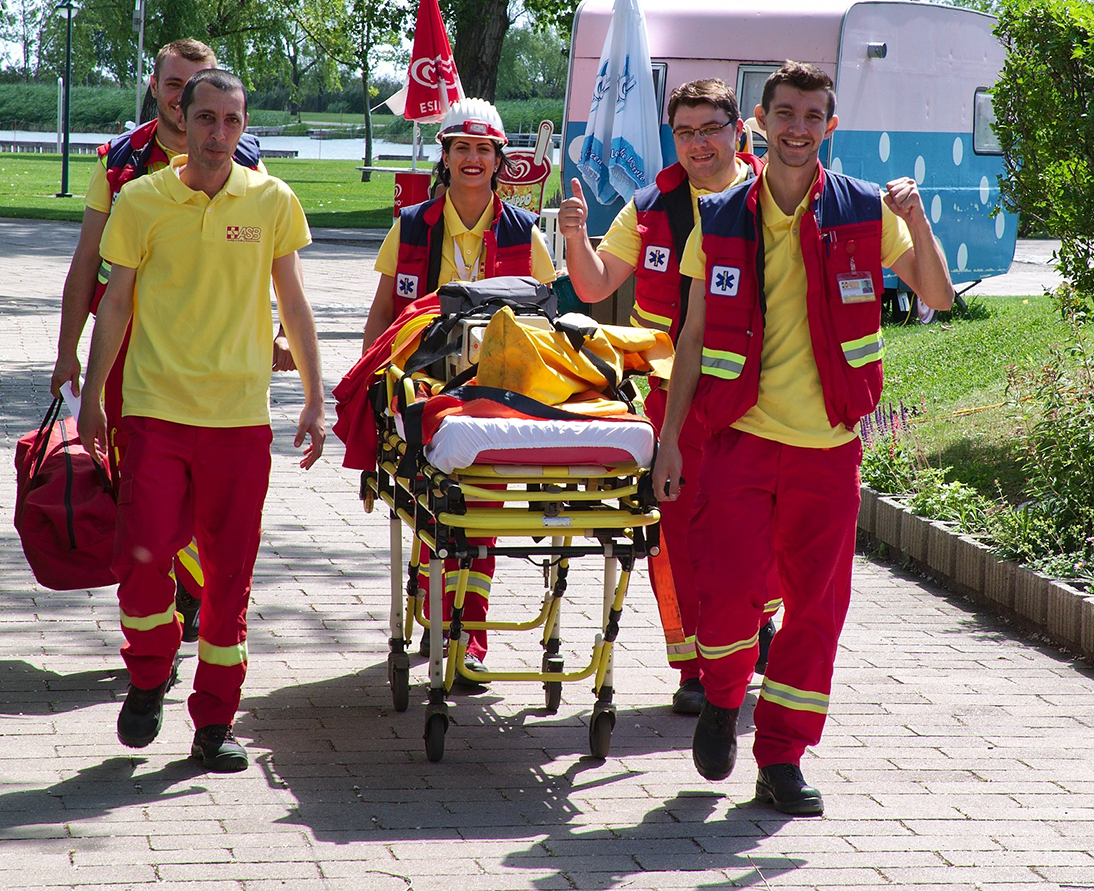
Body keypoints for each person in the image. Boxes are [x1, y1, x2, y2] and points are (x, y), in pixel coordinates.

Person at [652, 61, 953, 814]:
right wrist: (668, 441)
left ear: (829, 126)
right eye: (784, 113)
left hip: (827, 449)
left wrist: (915, 218)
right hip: (733, 439)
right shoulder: (716, 216)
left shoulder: (860, 209)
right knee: (725, 597)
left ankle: (780, 756)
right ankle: (722, 697)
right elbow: (688, 338)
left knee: (815, 611)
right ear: (759, 121)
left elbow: (938, 296)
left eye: (812, 115)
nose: (796, 127)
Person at [77, 69, 325, 772]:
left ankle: (214, 722)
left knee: (228, 579)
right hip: (153, 413)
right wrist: (95, 394)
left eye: (232, 121)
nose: (219, 134)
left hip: (240, 422)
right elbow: (115, 303)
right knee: (142, 559)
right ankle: (150, 673)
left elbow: (295, 303)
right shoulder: (140, 198)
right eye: (206, 118)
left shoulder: (272, 199)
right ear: (179, 120)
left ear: (245, 127)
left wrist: (314, 396)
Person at [49, 38, 281, 644]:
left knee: (213, 503)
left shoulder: (248, 163)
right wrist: (68, 350)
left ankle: (193, 605)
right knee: (144, 496)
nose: (185, 100)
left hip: (216, 367)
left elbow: (267, 264)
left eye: (197, 86)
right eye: (174, 85)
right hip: (132, 354)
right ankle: (156, 615)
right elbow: (84, 266)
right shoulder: (122, 162)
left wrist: (278, 333)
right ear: (156, 88)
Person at [557, 79, 777, 717]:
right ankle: (696, 669)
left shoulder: (774, 197)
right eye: (685, 132)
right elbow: (596, 283)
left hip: (759, 395)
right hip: (669, 401)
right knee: (676, 539)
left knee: (763, 531)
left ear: (738, 130)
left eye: (710, 129)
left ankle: (751, 624)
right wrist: (574, 236)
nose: (698, 143)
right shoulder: (649, 206)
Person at [364, 97, 556, 688]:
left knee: (483, 513)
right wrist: (375, 390)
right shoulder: (412, 226)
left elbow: (546, 327)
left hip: (497, 399)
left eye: (484, 150)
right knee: (432, 514)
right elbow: (380, 319)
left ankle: (466, 635)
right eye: (462, 148)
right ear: (444, 156)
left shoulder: (526, 232)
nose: (473, 160)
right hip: (422, 394)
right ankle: (436, 606)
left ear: (501, 161)